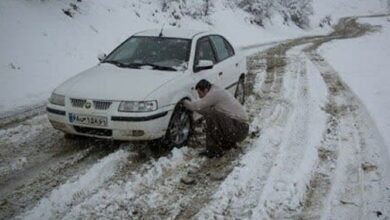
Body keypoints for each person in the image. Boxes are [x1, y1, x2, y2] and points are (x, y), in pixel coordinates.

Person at [183, 79, 249, 158]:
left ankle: (214, 150)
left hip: (239, 129)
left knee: (212, 115)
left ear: (206, 90)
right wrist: (192, 107)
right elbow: (204, 110)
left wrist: (183, 102)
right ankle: (227, 144)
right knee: (213, 114)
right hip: (239, 128)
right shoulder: (216, 91)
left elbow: (197, 106)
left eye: (200, 94)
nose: (200, 97)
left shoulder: (214, 94)